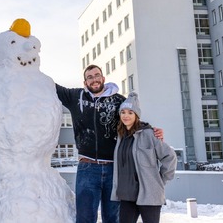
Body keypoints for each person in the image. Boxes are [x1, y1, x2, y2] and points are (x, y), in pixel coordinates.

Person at [55, 64, 163, 223]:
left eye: (97, 75)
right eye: (89, 77)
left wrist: (151, 130)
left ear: (103, 78)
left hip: (115, 169)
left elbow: (131, 120)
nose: (94, 79)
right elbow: (53, 87)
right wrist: (28, 63)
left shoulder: (118, 100)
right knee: (84, 218)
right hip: (87, 168)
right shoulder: (75, 97)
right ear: (85, 82)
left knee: (113, 218)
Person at [111, 92, 177, 223]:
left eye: (130, 112)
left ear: (136, 115)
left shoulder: (149, 134)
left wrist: (159, 181)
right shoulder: (120, 137)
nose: (126, 116)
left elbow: (170, 156)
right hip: (127, 195)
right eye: (123, 112)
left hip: (149, 195)